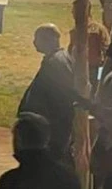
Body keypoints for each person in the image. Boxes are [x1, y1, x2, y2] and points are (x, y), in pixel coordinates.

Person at [17, 25, 77, 158]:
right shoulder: (55, 59)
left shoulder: (56, 63)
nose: (34, 42)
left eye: (37, 38)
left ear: (49, 39)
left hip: (54, 126)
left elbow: (61, 96)